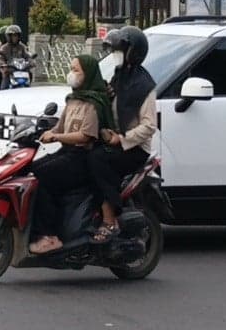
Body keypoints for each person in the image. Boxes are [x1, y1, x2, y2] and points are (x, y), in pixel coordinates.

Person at [29, 54, 114, 254]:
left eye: (76, 70)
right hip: (66, 153)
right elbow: (59, 127)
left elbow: (86, 136)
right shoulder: (74, 99)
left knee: (43, 177)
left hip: (82, 158)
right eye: (72, 68)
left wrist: (57, 137)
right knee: (32, 170)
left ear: (89, 74)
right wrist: (45, 132)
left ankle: (49, 235)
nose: (71, 74)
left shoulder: (94, 103)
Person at [88, 26, 157, 243]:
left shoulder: (144, 86)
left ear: (132, 52)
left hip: (134, 148)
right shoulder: (119, 76)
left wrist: (122, 139)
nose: (116, 54)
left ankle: (110, 219)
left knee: (96, 159)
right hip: (113, 138)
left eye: (120, 50)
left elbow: (149, 126)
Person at [0, 25, 31, 89]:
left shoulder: (22, 47)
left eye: (16, 35)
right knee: (4, 83)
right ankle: (2, 94)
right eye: (13, 36)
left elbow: (27, 55)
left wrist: (31, 60)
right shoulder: (4, 48)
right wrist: (3, 64)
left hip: (22, 69)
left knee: (30, 74)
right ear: (8, 36)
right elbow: (0, 57)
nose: (15, 37)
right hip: (10, 70)